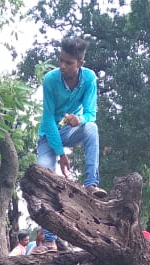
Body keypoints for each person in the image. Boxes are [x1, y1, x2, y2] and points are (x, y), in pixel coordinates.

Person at [35, 37, 104, 252]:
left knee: (92, 128)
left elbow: (91, 114)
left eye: (68, 62)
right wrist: (60, 154)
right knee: (45, 174)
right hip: (49, 135)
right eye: (61, 61)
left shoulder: (89, 79)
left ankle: (91, 184)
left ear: (80, 64)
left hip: (70, 128)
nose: (62, 66)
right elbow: (47, 120)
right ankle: (49, 240)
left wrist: (80, 120)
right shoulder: (50, 80)